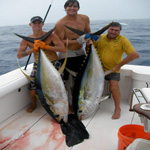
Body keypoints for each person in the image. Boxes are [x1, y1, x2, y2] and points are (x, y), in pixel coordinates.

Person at [17, 16, 66, 113]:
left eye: (39, 23)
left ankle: (66, 105)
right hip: (38, 64)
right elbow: (19, 56)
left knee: (60, 86)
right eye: (34, 23)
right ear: (30, 25)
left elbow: (62, 49)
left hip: (54, 63)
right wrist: (33, 49)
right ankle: (34, 104)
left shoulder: (51, 36)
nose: (36, 25)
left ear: (42, 24)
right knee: (33, 88)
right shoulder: (26, 40)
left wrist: (46, 46)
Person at [94, 22, 140, 119]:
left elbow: (135, 55)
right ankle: (91, 105)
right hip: (98, 69)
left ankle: (117, 108)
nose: (113, 32)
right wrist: (88, 40)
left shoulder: (122, 40)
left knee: (114, 86)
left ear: (119, 31)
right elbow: (88, 45)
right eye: (112, 29)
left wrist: (119, 66)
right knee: (90, 87)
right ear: (108, 29)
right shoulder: (100, 37)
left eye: (116, 30)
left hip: (113, 70)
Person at [54, 0, 91, 107]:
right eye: (69, 6)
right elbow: (59, 42)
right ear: (65, 8)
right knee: (69, 82)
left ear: (78, 8)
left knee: (83, 79)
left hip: (81, 52)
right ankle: (70, 106)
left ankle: (81, 102)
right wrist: (77, 41)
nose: (72, 8)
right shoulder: (60, 23)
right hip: (67, 55)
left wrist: (90, 40)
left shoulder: (85, 18)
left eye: (75, 6)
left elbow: (88, 32)